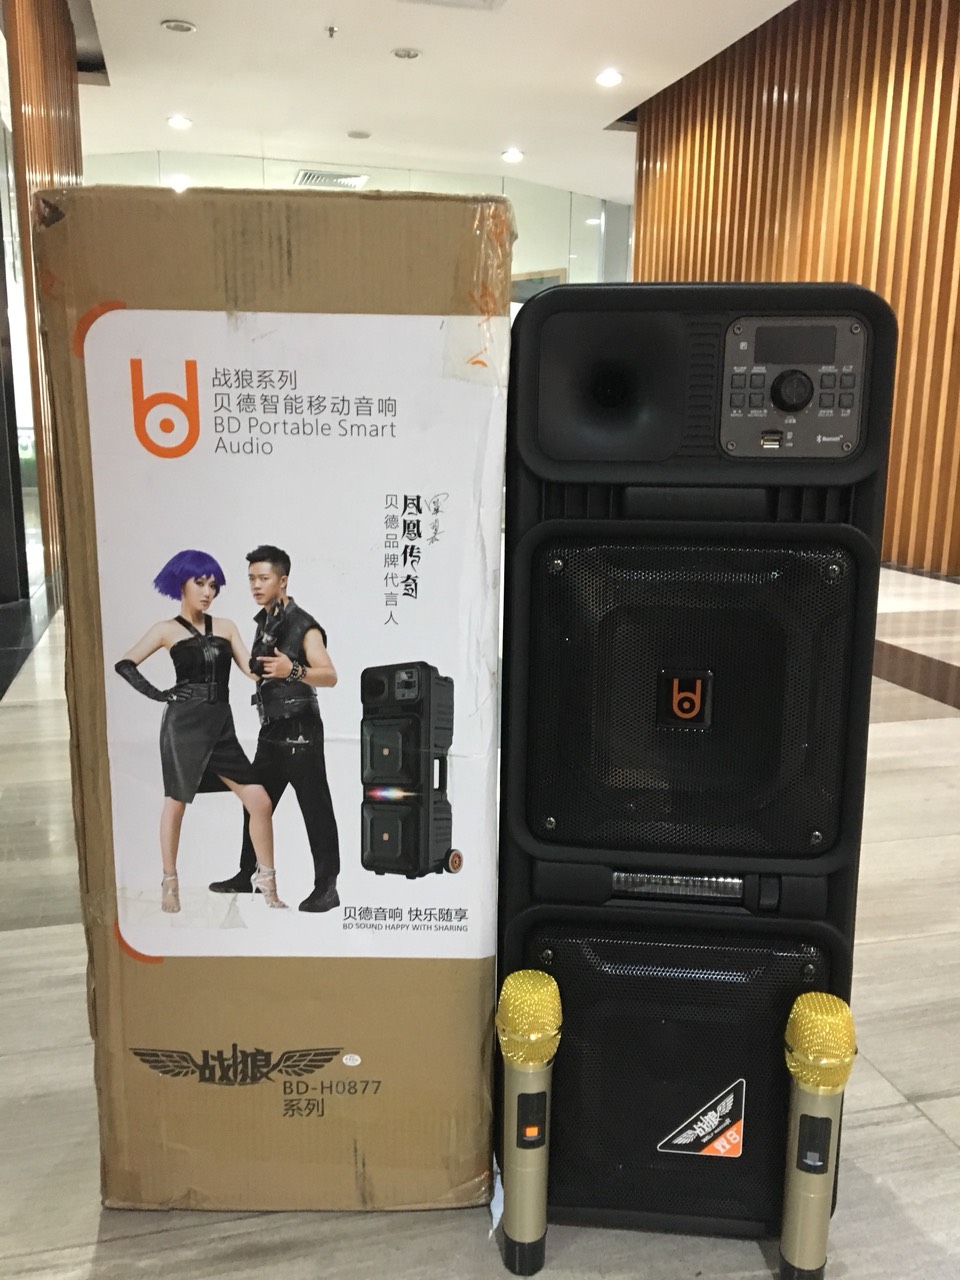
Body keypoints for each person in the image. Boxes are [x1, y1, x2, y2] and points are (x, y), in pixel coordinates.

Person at [115, 549, 286, 913]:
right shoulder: (165, 630)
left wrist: (277, 657)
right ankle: (169, 881)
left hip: (220, 725)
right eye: (201, 584)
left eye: (213, 586)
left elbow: (251, 671)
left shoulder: (226, 626)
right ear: (182, 584)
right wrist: (160, 694)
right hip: (184, 725)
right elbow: (125, 664)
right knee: (176, 802)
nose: (208, 592)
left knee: (260, 801)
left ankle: (267, 882)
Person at [209, 545, 341, 912]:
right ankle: (248, 874)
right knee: (255, 800)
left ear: (282, 581)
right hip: (271, 729)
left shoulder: (303, 625)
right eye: (251, 578)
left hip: (300, 729)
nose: (255, 585)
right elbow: (259, 672)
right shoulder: (266, 624)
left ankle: (327, 887)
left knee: (314, 806)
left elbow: (330, 675)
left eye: (263, 578)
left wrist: (293, 670)